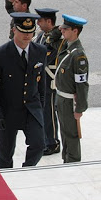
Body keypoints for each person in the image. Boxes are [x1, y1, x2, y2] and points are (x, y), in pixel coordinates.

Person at [0, 13, 47, 169]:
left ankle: (26, 171)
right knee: (5, 153)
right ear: (14, 30)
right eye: (23, 32)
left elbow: (42, 83)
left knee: (39, 145)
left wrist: (41, 107)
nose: (27, 36)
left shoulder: (40, 51)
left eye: (30, 32)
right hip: (8, 110)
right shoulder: (0, 54)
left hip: (31, 109)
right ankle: (5, 181)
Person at [54, 14, 89, 163]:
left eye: (66, 28)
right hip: (61, 98)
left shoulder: (78, 55)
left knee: (71, 134)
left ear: (75, 31)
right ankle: (66, 158)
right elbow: (52, 37)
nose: (62, 30)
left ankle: (73, 160)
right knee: (64, 132)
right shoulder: (66, 46)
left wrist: (80, 108)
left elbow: (82, 85)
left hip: (69, 102)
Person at [34, 8, 64, 156]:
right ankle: (45, 139)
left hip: (50, 80)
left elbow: (46, 56)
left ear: (49, 21)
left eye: (40, 20)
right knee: (41, 111)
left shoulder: (57, 39)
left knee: (49, 112)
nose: (38, 23)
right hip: (40, 80)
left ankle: (53, 142)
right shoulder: (41, 35)